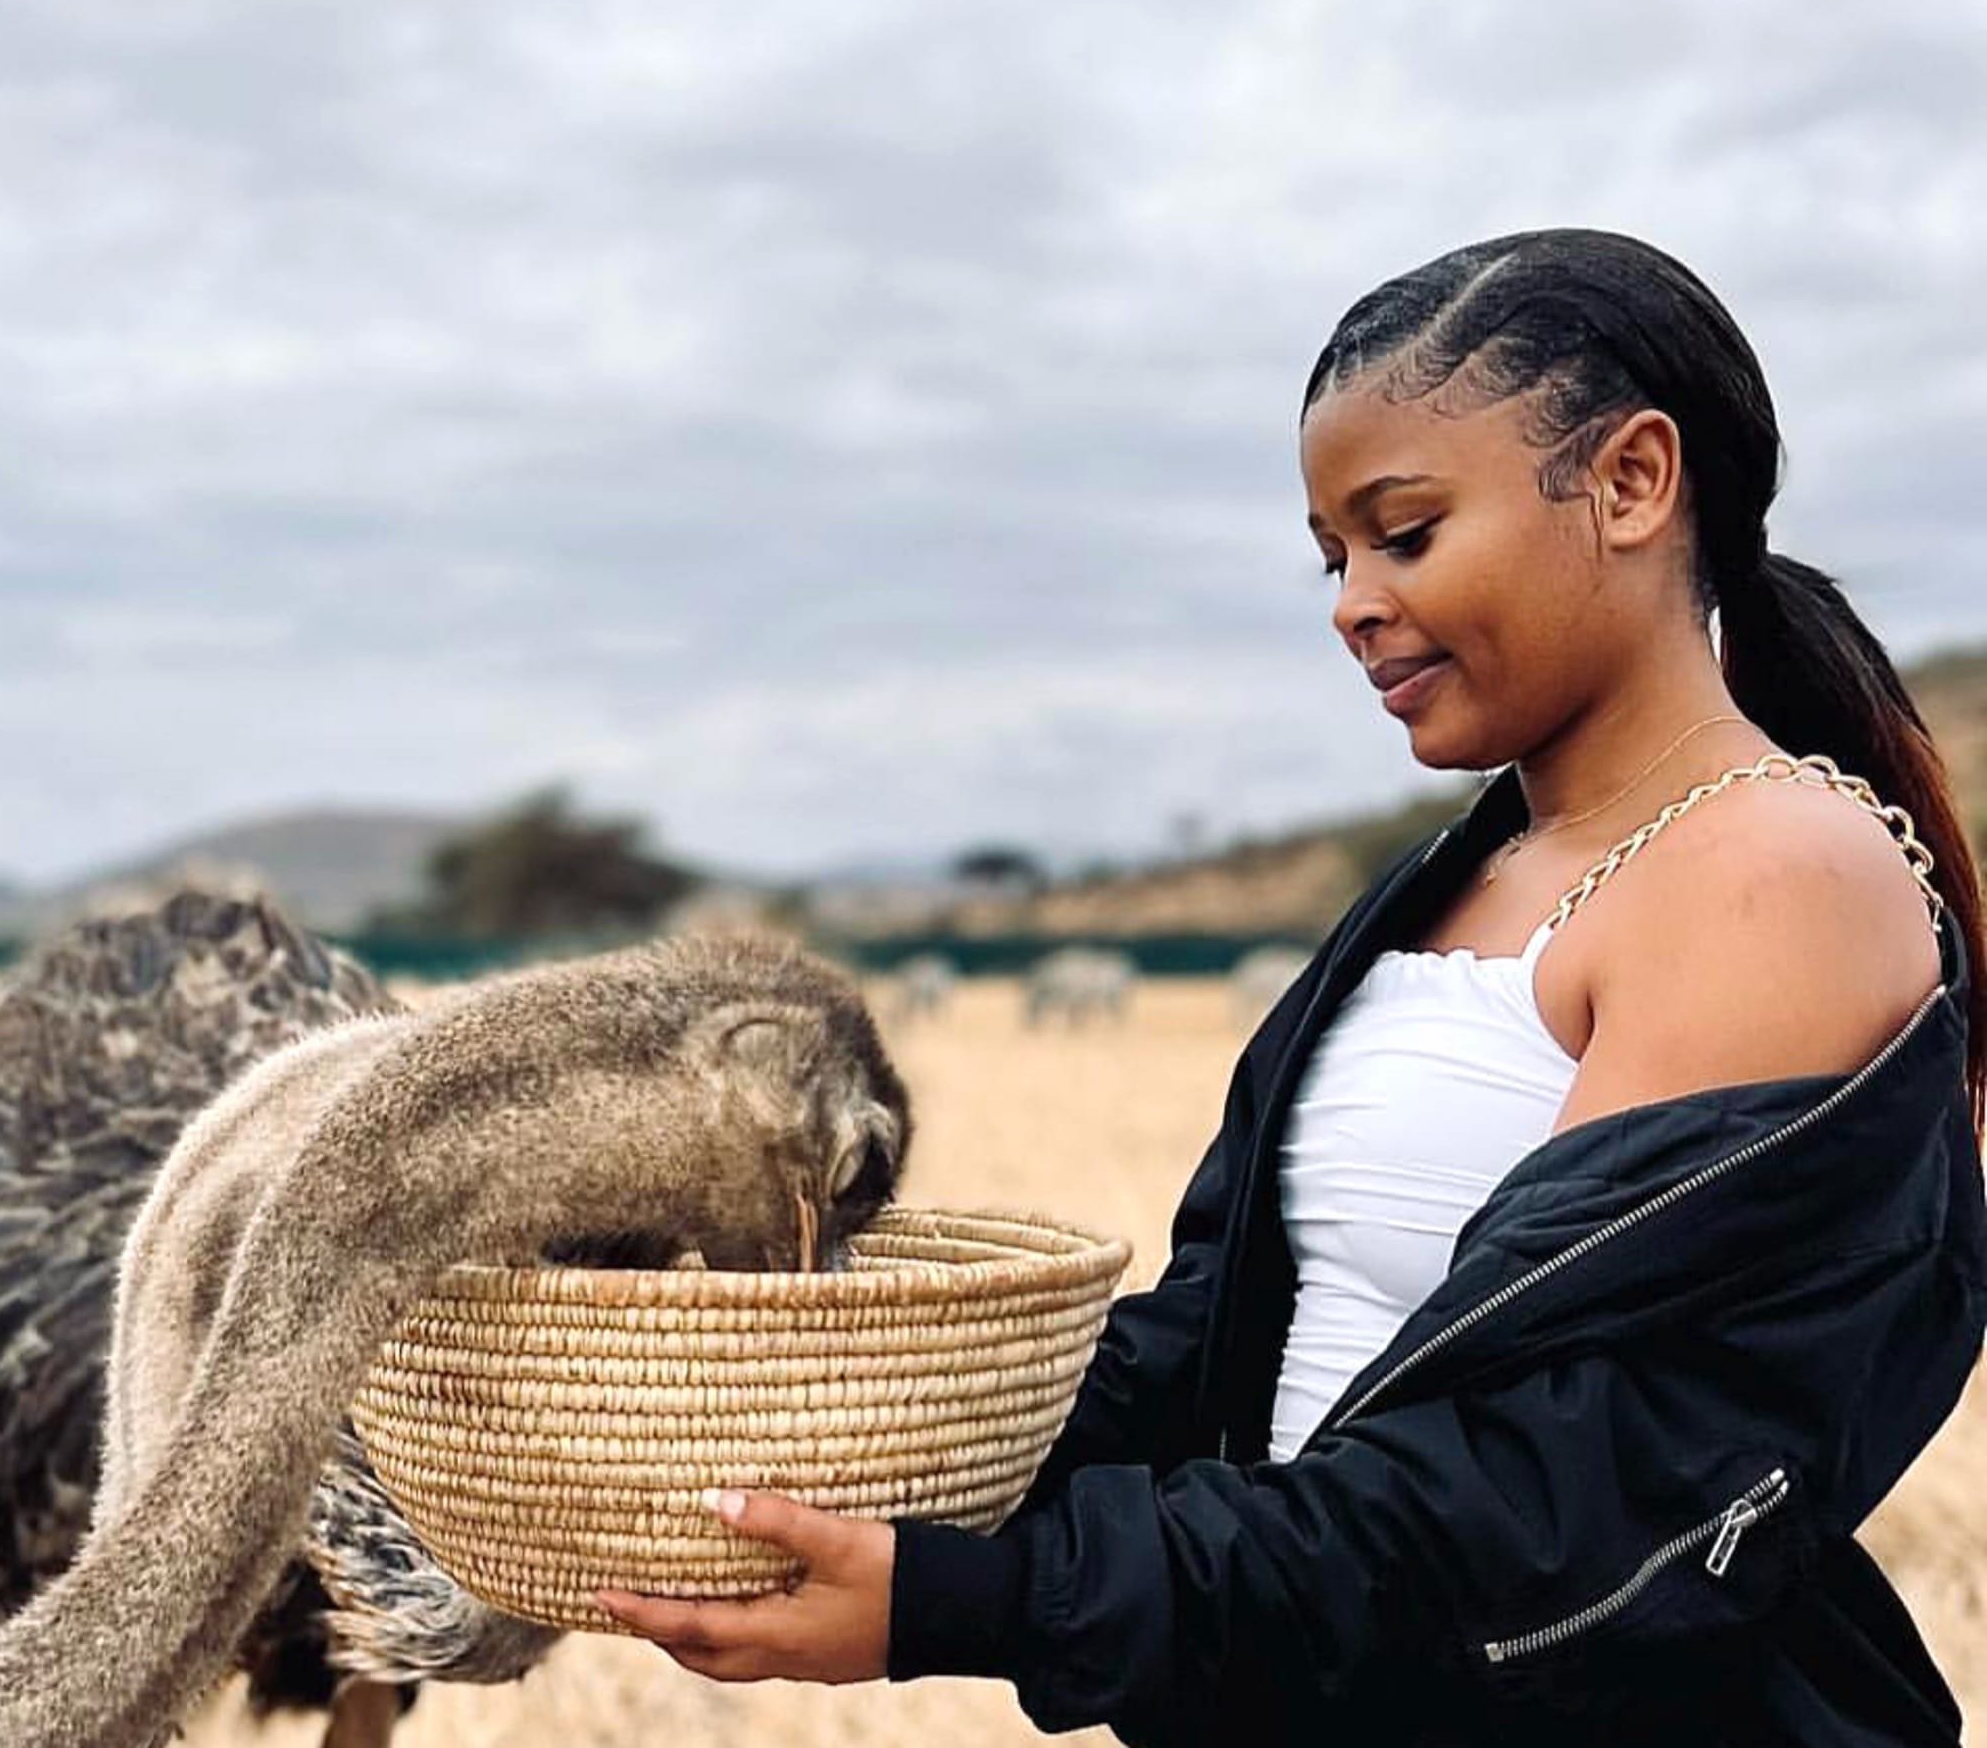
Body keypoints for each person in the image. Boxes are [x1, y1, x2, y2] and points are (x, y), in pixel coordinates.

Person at [596, 228, 1987, 1742]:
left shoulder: (1773, 872)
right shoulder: (1465, 873)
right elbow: (1230, 1340)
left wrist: (978, 1600)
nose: (1351, 604)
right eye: (1334, 557)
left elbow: (1551, 1502)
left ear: (1633, 483)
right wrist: (808, 1436)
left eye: (1404, 532)